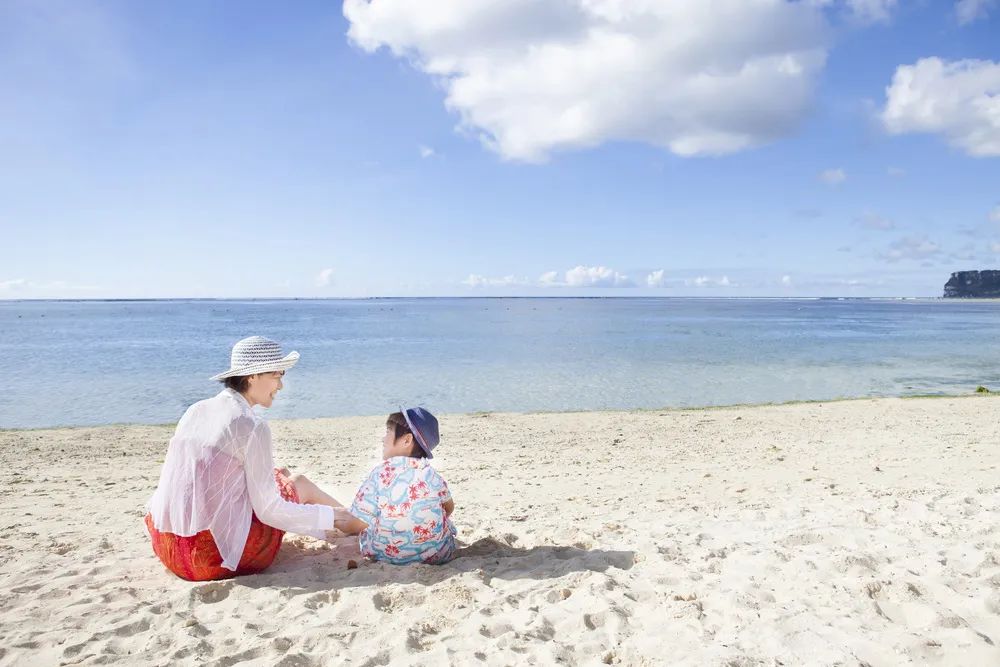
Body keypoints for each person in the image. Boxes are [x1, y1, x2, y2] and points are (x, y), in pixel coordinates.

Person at [145, 336, 352, 580]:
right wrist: (333, 515)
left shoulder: (196, 410)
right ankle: (355, 522)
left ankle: (350, 518)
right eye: (277, 375)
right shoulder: (251, 424)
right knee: (298, 483)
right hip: (214, 558)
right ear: (252, 376)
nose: (281, 386)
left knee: (279, 473)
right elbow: (269, 511)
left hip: (170, 546)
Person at [339, 407, 457, 565]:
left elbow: (356, 523)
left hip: (386, 556)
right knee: (445, 522)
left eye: (388, 432)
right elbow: (449, 508)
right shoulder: (431, 475)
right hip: (436, 555)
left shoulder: (380, 474)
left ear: (407, 440)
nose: (383, 439)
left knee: (371, 525)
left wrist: (338, 523)